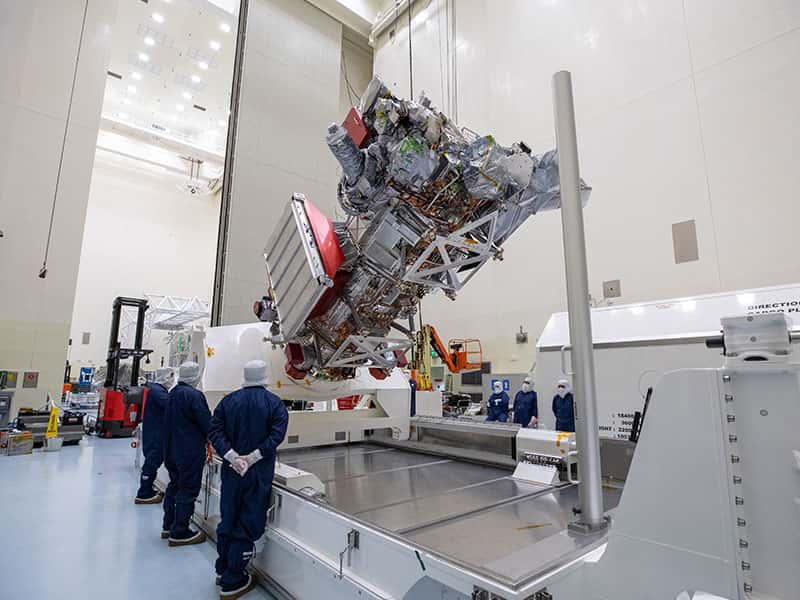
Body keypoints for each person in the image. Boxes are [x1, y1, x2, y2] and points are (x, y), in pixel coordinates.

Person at [209, 360, 289, 599]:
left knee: (228, 519)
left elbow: (215, 431)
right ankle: (235, 580)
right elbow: (277, 435)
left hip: (233, 471)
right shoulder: (274, 404)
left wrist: (233, 457)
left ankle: (223, 569)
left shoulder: (227, 401)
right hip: (257, 473)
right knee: (247, 523)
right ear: (265, 376)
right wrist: (253, 457)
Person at [163, 361, 211, 546]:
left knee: (174, 486)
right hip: (188, 451)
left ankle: (168, 525)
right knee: (188, 489)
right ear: (196, 376)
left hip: (171, 450)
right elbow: (206, 423)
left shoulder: (172, 393)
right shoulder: (194, 396)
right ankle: (180, 531)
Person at [134, 367, 174, 504]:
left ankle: (147, 488)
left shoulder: (157, 390)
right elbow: (172, 406)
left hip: (155, 431)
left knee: (152, 461)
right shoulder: (158, 392)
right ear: (166, 377)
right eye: (171, 376)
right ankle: (144, 493)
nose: (172, 380)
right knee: (152, 461)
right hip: (157, 433)